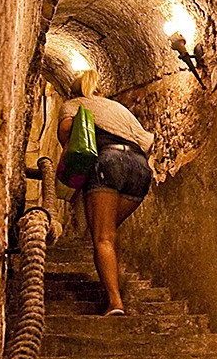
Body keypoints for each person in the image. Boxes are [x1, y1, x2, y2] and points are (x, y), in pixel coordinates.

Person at [58, 69, 154, 316]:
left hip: (107, 163)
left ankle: (115, 302)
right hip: (140, 168)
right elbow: (146, 141)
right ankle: (116, 289)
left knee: (103, 237)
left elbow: (68, 134)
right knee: (110, 231)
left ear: (74, 90)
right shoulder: (117, 108)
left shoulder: (72, 104)